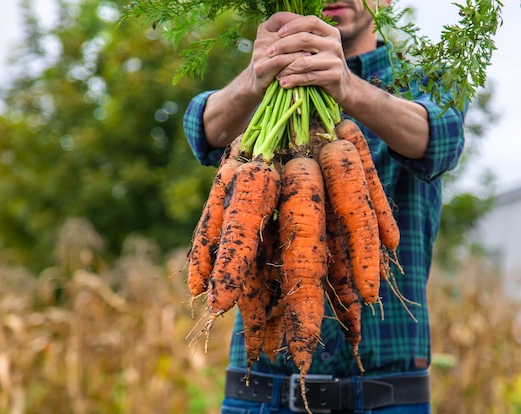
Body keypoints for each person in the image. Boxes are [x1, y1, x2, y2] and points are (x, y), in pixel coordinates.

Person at [183, 1, 466, 413]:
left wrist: (347, 88)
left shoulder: (423, 78)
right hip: (260, 393)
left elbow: (439, 142)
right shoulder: (265, 83)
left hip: (386, 397)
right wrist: (256, 78)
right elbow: (203, 131)